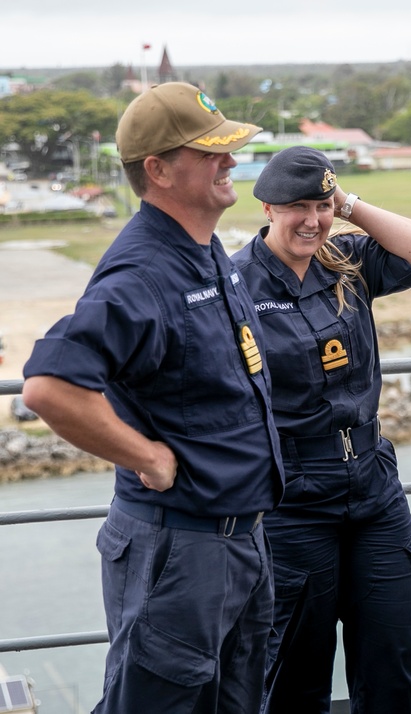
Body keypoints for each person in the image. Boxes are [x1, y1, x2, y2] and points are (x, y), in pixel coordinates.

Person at [20, 82, 283, 714]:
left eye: (230, 149)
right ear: (158, 170)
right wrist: (146, 456)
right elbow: (50, 386)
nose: (231, 161)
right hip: (180, 552)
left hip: (239, 541)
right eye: (211, 152)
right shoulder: (143, 274)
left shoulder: (205, 252)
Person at [231, 146, 411, 713]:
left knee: (395, 658)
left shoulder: (346, 260)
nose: (311, 220)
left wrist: (347, 205)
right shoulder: (237, 286)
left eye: (321, 205)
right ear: (267, 208)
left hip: (372, 486)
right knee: (296, 673)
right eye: (295, 207)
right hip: (293, 499)